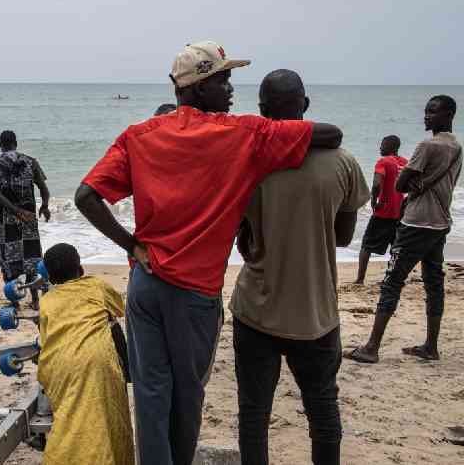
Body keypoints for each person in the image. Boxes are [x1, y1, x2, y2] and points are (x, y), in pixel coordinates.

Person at [75, 40, 343, 465]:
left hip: (144, 285)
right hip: (194, 292)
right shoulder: (241, 134)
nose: (231, 89)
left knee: (149, 391)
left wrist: (131, 244)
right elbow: (330, 134)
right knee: (187, 394)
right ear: (199, 87)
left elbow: (86, 196)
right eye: (223, 79)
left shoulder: (138, 135)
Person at [231, 70, 369, 465]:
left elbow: (239, 230)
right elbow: (343, 237)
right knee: (323, 413)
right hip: (315, 312)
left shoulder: (248, 161)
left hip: (256, 308)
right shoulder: (341, 161)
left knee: (254, 415)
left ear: (260, 110)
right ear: (305, 105)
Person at [348, 95, 461, 363]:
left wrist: (411, 184)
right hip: (441, 222)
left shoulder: (427, 145)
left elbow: (400, 185)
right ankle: (431, 346)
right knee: (434, 283)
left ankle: (372, 347)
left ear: (448, 115)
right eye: (426, 111)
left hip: (416, 222)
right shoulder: (456, 147)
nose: (426, 116)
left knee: (392, 282)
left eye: (433, 112)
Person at [37, 243, 133, 465]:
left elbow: (45, 338)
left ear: (49, 277)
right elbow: (118, 308)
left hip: (58, 362)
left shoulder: (46, 301)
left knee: (68, 415)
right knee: (109, 414)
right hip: (97, 357)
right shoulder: (96, 286)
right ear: (80, 268)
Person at [0, 130, 51, 308]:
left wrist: (15, 211)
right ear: (16, 143)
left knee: (9, 259)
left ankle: (14, 301)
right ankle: (36, 300)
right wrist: (44, 206)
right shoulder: (31, 162)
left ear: (0, 145)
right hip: (29, 218)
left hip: (4, 220)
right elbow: (44, 189)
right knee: (32, 257)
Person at [354, 136, 408, 284]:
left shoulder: (383, 162)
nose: (380, 148)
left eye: (383, 145)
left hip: (383, 210)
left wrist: (374, 200)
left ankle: (360, 279)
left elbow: (377, 184)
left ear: (391, 147)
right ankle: (392, 278)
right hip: (400, 212)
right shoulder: (405, 162)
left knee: (367, 245)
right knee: (396, 247)